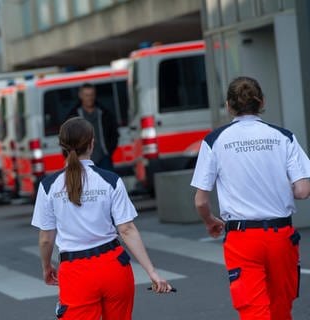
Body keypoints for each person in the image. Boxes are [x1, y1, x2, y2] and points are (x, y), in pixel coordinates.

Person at [191, 76, 310, 320]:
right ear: (262, 101)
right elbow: (303, 191)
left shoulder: (214, 140)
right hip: (281, 236)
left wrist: (210, 220)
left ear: (228, 105)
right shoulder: (284, 136)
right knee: (281, 308)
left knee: (253, 310)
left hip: (242, 238)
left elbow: (201, 201)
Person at [31, 117, 172, 320]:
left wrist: (47, 267)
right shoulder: (110, 180)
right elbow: (127, 230)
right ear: (92, 143)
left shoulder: (48, 186)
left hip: (75, 271)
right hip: (114, 266)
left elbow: (46, 238)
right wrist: (152, 272)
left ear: (61, 146)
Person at [76, 83, 119, 171]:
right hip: (82, 160)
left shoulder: (105, 114)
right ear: (80, 96)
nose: (89, 98)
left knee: (107, 184)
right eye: (87, 95)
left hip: (104, 158)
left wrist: (108, 151)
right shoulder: (74, 116)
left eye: (92, 95)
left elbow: (114, 134)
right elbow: (67, 138)